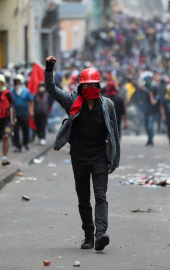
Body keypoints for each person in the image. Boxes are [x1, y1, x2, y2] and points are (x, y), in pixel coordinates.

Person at [45, 56, 120, 251]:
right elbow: (52, 90)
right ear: (81, 87)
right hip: (78, 157)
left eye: (93, 85)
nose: (89, 89)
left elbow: (114, 134)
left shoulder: (107, 105)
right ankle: (88, 236)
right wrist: (49, 69)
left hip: (99, 158)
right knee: (83, 198)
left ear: (98, 85)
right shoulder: (72, 101)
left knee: (101, 195)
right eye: (86, 86)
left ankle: (100, 234)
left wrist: (114, 160)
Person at [10, 74, 34, 152]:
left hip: (24, 114)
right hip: (15, 115)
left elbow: (31, 101)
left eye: (18, 82)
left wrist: (31, 110)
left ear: (21, 83)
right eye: (15, 82)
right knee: (16, 131)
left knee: (25, 130)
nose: (17, 84)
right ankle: (18, 146)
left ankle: (25, 143)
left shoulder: (26, 91)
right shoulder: (11, 92)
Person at [0, 74, 16, 165]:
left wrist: (13, 119)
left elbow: (12, 107)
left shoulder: (7, 93)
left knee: (6, 136)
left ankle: (4, 157)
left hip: (6, 120)